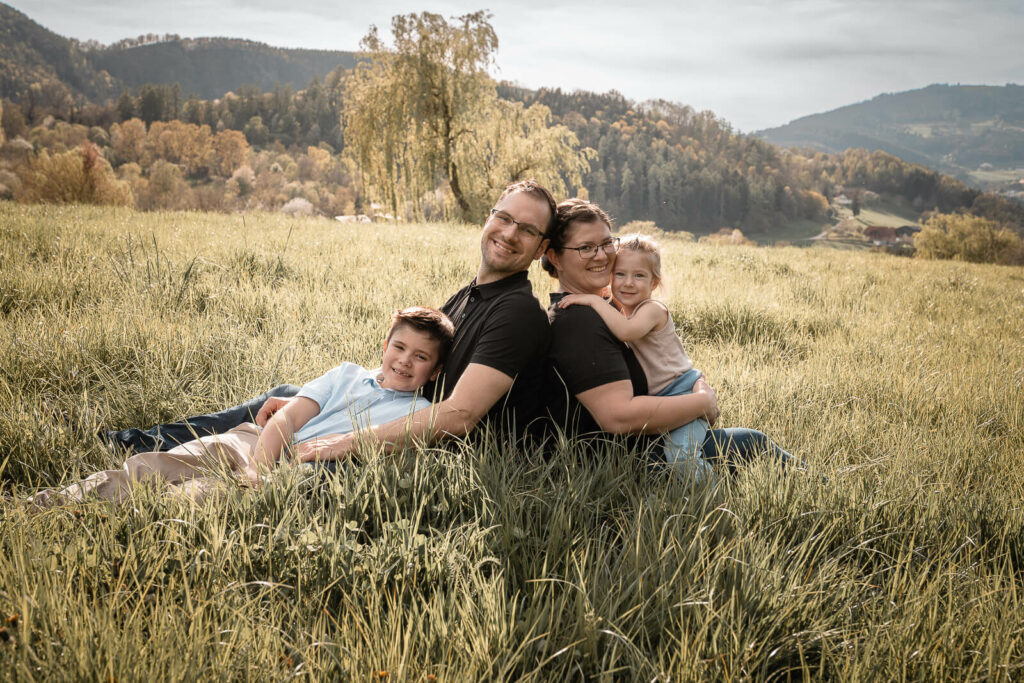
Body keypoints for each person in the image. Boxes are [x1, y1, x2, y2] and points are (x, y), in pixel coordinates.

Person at [104, 180, 557, 461]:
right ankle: (146, 441)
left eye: (528, 230)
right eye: (504, 217)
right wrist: (334, 395)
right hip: (401, 408)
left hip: (433, 447)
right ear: (489, 217)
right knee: (288, 396)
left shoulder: (516, 312)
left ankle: (162, 452)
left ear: (540, 250)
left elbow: (458, 417)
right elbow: (414, 362)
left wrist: (345, 439)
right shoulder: (473, 294)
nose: (510, 233)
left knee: (297, 419)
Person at [31, 307, 454, 506]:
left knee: (192, 498)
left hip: (294, 474)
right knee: (153, 465)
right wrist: (256, 466)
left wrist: (264, 478)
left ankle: (104, 522)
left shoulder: (415, 415)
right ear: (385, 346)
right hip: (253, 442)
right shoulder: (345, 374)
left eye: (420, 357)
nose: (404, 361)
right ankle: (51, 503)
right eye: (399, 347)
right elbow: (287, 417)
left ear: (434, 372)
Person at [543, 198, 797, 476]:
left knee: (753, 442)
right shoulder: (578, 319)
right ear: (555, 257)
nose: (602, 256)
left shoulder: (597, 306)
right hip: (638, 458)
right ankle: (716, 505)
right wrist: (701, 402)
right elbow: (618, 417)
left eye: (606, 244)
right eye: (586, 248)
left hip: (651, 440)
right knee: (753, 444)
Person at [556, 233, 711, 482]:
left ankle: (713, 498)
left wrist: (593, 301)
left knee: (681, 455)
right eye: (620, 274)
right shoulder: (622, 308)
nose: (628, 283)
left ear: (654, 283)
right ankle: (678, 496)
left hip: (682, 391)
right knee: (664, 458)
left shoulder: (652, 310)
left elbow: (626, 331)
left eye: (639, 276)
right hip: (663, 396)